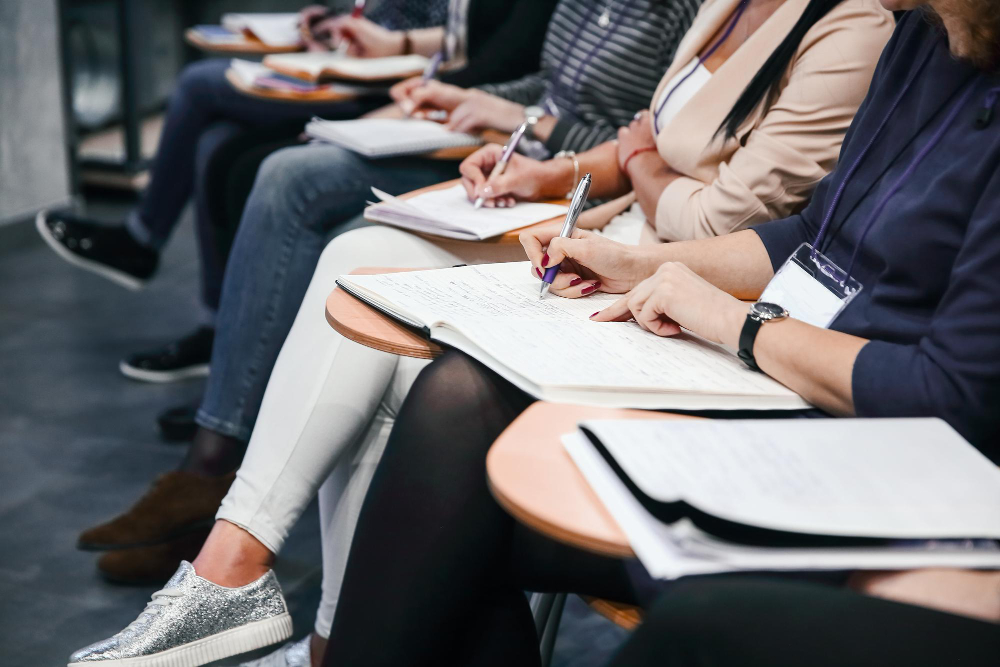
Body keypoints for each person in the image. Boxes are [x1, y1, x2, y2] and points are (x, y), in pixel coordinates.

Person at [67, 0, 893, 665]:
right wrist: (578, 183)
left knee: (392, 358)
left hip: (685, 278)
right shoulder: (725, 5)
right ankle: (240, 570)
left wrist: (632, 168)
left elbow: (724, 210)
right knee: (359, 264)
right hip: (619, 235)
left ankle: (301, 623)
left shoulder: (852, 24)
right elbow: (635, 135)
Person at [306, 2, 1000, 664]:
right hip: (785, 375)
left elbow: (950, 391)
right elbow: (814, 238)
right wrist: (636, 265)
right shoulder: (916, 31)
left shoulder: (882, 31)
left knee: (459, 494)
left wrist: (736, 322)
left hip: (873, 434)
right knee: (458, 404)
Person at [35, 0, 549, 383]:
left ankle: (238, 366)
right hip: (423, 89)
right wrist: (375, 38)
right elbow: (466, 45)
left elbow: (516, 70)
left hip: (437, 108)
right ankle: (228, 351)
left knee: (248, 150)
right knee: (219, 146)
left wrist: (412, 75)